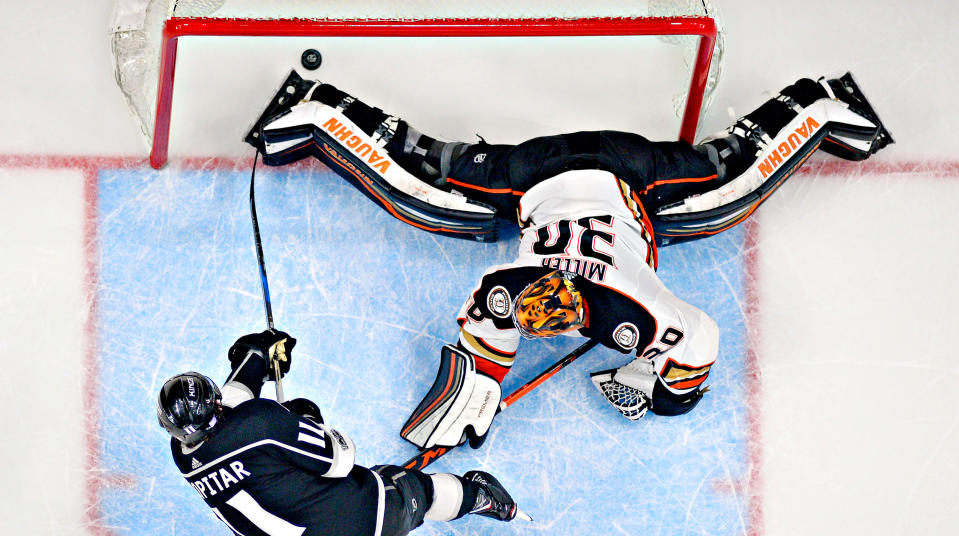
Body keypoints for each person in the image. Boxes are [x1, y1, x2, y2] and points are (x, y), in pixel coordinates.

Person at [245, 70, 892, 449]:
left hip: (582, 170)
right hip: (584, 169)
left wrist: (669, 394)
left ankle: (823, 105)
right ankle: (819, 100)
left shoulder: (629, 309)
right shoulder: (515, 287)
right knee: (431, 200)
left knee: (723, 196)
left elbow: (701, 337)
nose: (548, 333)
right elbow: (490, 327)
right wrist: (486, 381)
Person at [157, 329, 527, 536]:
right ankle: (486, 499)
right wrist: (306, 423)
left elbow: (234, 414)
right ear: (215, 402)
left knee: (325, 482)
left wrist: (254, 357)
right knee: (410, 486)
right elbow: (340, 458)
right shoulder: (261, 424)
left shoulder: (183, 455)